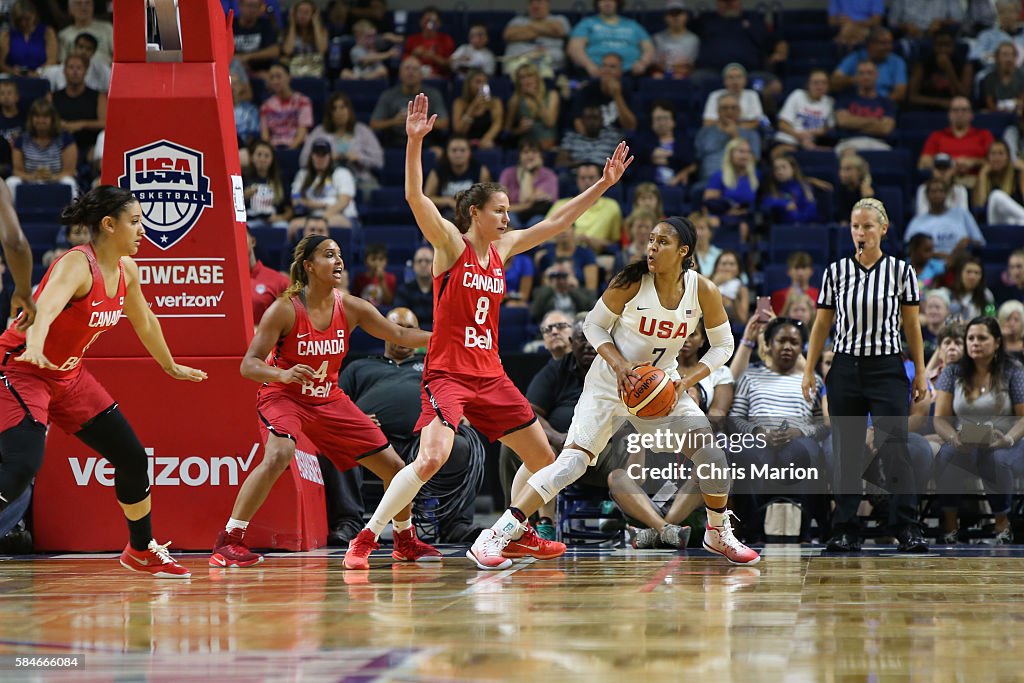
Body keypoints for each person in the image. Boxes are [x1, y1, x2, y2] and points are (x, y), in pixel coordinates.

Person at [344, 93, 632, 570]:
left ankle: (515, 533)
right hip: (449, 374)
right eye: (499, 210)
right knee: (431, 458)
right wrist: (414, 142)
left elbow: (559, 221)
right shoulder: (449, 245)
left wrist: (602, 185)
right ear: (475, 213)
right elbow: (416, 198)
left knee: (546, 463)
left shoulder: (505, 248)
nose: (508, 217)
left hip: (491, 374)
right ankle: (368, 537)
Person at [473, 215, 760, 568]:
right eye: (650, 240)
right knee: (572, 463)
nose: (651, 247)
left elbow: (723, 345)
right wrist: (621, 366)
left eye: (662, 242)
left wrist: (686, 381)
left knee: (712, 456)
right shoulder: (632, 280)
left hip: (659, 387)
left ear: (683, 251)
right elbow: (593, 325)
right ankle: (497, 534)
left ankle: (717, 533)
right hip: (609, 384)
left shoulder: (703, 290)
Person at [0, 185, 206, 576]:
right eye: (135, 222)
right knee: (22, 466)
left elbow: (145, 321)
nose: (143, 230)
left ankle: (140, 550)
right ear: (109, 225)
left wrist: (170, 365)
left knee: (131, 459)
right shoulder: (76, 265)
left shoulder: (127, 270)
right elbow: (43, 311)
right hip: (23, 368)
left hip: (69, 376)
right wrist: (37, 345)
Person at [209, 234, 440, 568]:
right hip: (285, 396)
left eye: (340, 255)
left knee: (395, 468)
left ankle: (404, 539)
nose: (339, 261)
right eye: (329, 255)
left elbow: (401, 335)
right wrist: (282, 375)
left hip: (328, 399)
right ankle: (229, 540)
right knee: (280, 454)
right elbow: (249, 365)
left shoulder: (351, 306)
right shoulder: (285, 309)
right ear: (308, 266)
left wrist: (447, 340)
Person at [803, 197, 930, 553]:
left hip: (887, 367)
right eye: (856, 226)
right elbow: (821, 325)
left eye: (868, 226)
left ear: (883, 230)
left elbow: (912, 326)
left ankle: (906, 526)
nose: (861, 232)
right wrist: (809, 369)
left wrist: (920, 373)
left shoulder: (901, 271)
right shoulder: (835, 272)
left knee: (895, 447)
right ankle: (845, 527)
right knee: (846, 450)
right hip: (845, 367)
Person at [329, 307, 485, 544]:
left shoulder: (432, 364)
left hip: (424, 441)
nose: (403, 333)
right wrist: (356, 421)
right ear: (385, 332)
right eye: (398, 327)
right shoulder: (360, 367)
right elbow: (333, 403)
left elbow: (456, 395)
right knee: (340, 444)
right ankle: (349, 523)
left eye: (409, 329)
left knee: (463, 446)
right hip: (373, 441)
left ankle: (456, 525)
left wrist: (457, 415)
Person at [932, 316, 1024, 545]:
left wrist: (1008, 440)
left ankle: (1002, 524)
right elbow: (940, 420)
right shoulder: (953, 372)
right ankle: (950, 526)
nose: (975, 343)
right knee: (948, 454)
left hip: (1008, 439)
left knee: (997, 459)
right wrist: (954, 438)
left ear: (997, 342)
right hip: (967, 439)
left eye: (982, 338)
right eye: (970, 338)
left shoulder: (1013, 370)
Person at [247, 228, 289, 324]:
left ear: (253, 241)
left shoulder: (280, 282)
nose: (236, 240)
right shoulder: (220, 281)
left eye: (240, 235)